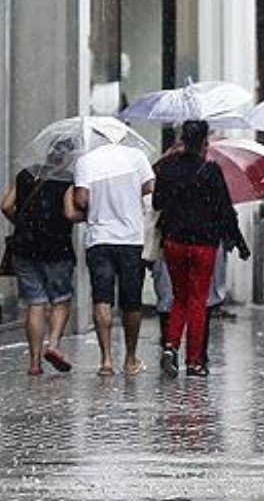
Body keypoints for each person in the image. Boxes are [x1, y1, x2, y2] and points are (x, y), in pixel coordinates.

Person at [151, 121, 250, 377]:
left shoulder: (168, 167)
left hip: (174, 242)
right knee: (198, 301)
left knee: (179, 298)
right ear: (205, 142)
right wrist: (238, 241)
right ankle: (194, 361)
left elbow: (157, 202)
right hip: (203, 244)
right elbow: (225, 211)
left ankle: (171, 345)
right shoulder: (211, 171)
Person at [67, 139, 156, 376]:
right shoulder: (136, 157)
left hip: (99, 238)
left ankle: (106, 360)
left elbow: (81, 200)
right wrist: (126, 192)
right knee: (131, 301)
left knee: (102, 299)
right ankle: (129, 359)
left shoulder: (87, 161)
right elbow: (150, 187)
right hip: (130, 239)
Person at [2, 149, 77, 375]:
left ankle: (34, 363)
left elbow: (6, 205)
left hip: (24, 248)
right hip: (57, 248)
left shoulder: (26, 174)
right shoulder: (68, 180)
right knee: (61, 300)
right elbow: (69, 212)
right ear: (67, 157)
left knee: (35, 303)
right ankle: (52, 346)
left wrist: (23, 224)